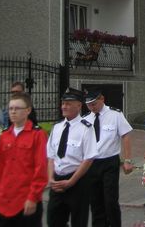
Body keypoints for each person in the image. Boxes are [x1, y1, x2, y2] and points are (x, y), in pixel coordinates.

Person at [0, 92, 47, 227]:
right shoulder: (5, 136)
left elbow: (40, 169)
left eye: (17, 108)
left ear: (28, 110)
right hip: (3, 199)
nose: (13, 112)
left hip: (25, 200)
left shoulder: (37, 135)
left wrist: (33, 198)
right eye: (10, 108)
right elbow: (1, 170)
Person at [47, 88, 98, 227]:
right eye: (63, 103)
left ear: (79, 105)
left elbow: (88, 159)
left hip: (77, 182)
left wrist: (70, 182)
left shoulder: (86, 129)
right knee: (53, 220)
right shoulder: (57, 127)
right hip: (57, 182)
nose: (64, 106)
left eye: (68, 103)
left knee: (78, 221)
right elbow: (51, 156)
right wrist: (51, 179)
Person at [83, 90, 134, 227]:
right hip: (92, 164)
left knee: (110, 201)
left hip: (109, 162)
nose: (92, 107)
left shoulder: (115, 114)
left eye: (94, 104)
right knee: (95, 202)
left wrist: (127, 160)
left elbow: (126, 135)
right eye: (89, 105)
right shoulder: (86, 119)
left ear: (102, 99)